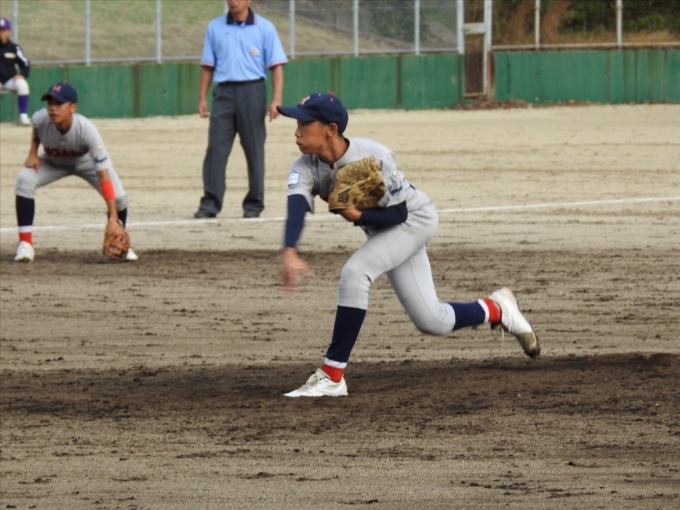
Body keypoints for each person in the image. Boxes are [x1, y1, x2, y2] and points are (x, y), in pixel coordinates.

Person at [276, 92, 540, 398]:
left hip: (414, 221)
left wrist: (358, 215)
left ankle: (332, 376)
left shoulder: (374, 156)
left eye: (304, 124)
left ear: (330, 130)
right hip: (384, 233)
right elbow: (296, 205)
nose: (297, 132)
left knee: (355, 273)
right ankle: (498, 308)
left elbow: (399, 214)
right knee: (432, 320)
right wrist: (289, 250)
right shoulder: (303, 166)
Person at [13, 82, 138, 263]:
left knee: (118, 198)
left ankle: (121, 242)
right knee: (24, 179)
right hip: (54, 162)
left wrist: (112, 217)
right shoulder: (41, 118)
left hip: (85, 162)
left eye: (59, 103)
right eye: (50, 103)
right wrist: (32, 153)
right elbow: (37, 131)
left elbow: (103, 175)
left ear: (73, 107)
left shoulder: (87, 130)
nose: (53, 108)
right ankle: (25, 244)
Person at [194, 0, 288, 219]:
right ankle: (210, 203)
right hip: (223, 93)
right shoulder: (214, 27)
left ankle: (254, 204)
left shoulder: (265, 28)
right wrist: (202, 98)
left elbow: (276, 66)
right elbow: (208, 66)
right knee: (216, 149)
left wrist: (276, 98)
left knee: (254, 148)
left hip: (252, 91)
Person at [0, 17, 31, 126]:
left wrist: (22, 74)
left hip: (9, 80)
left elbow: (25, 63)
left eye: (3, 30)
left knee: (22, 84)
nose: (1, 33)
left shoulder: (14, 48)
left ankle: (23, 117)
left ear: (9, 31)